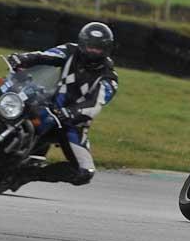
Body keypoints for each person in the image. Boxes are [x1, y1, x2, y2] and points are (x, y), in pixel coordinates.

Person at [8, 22, 118, 189]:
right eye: (90, 46)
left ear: (107, 49)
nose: (93, 51)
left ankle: (30, 174)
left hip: (73, 124)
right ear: (82, 43)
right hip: (48, 103)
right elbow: (45, 56)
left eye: (98, 48)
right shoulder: (70, 51)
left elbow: (95, 103)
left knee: (85, 173)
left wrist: (71, 113)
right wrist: (24, 58)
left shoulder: (109, 77)